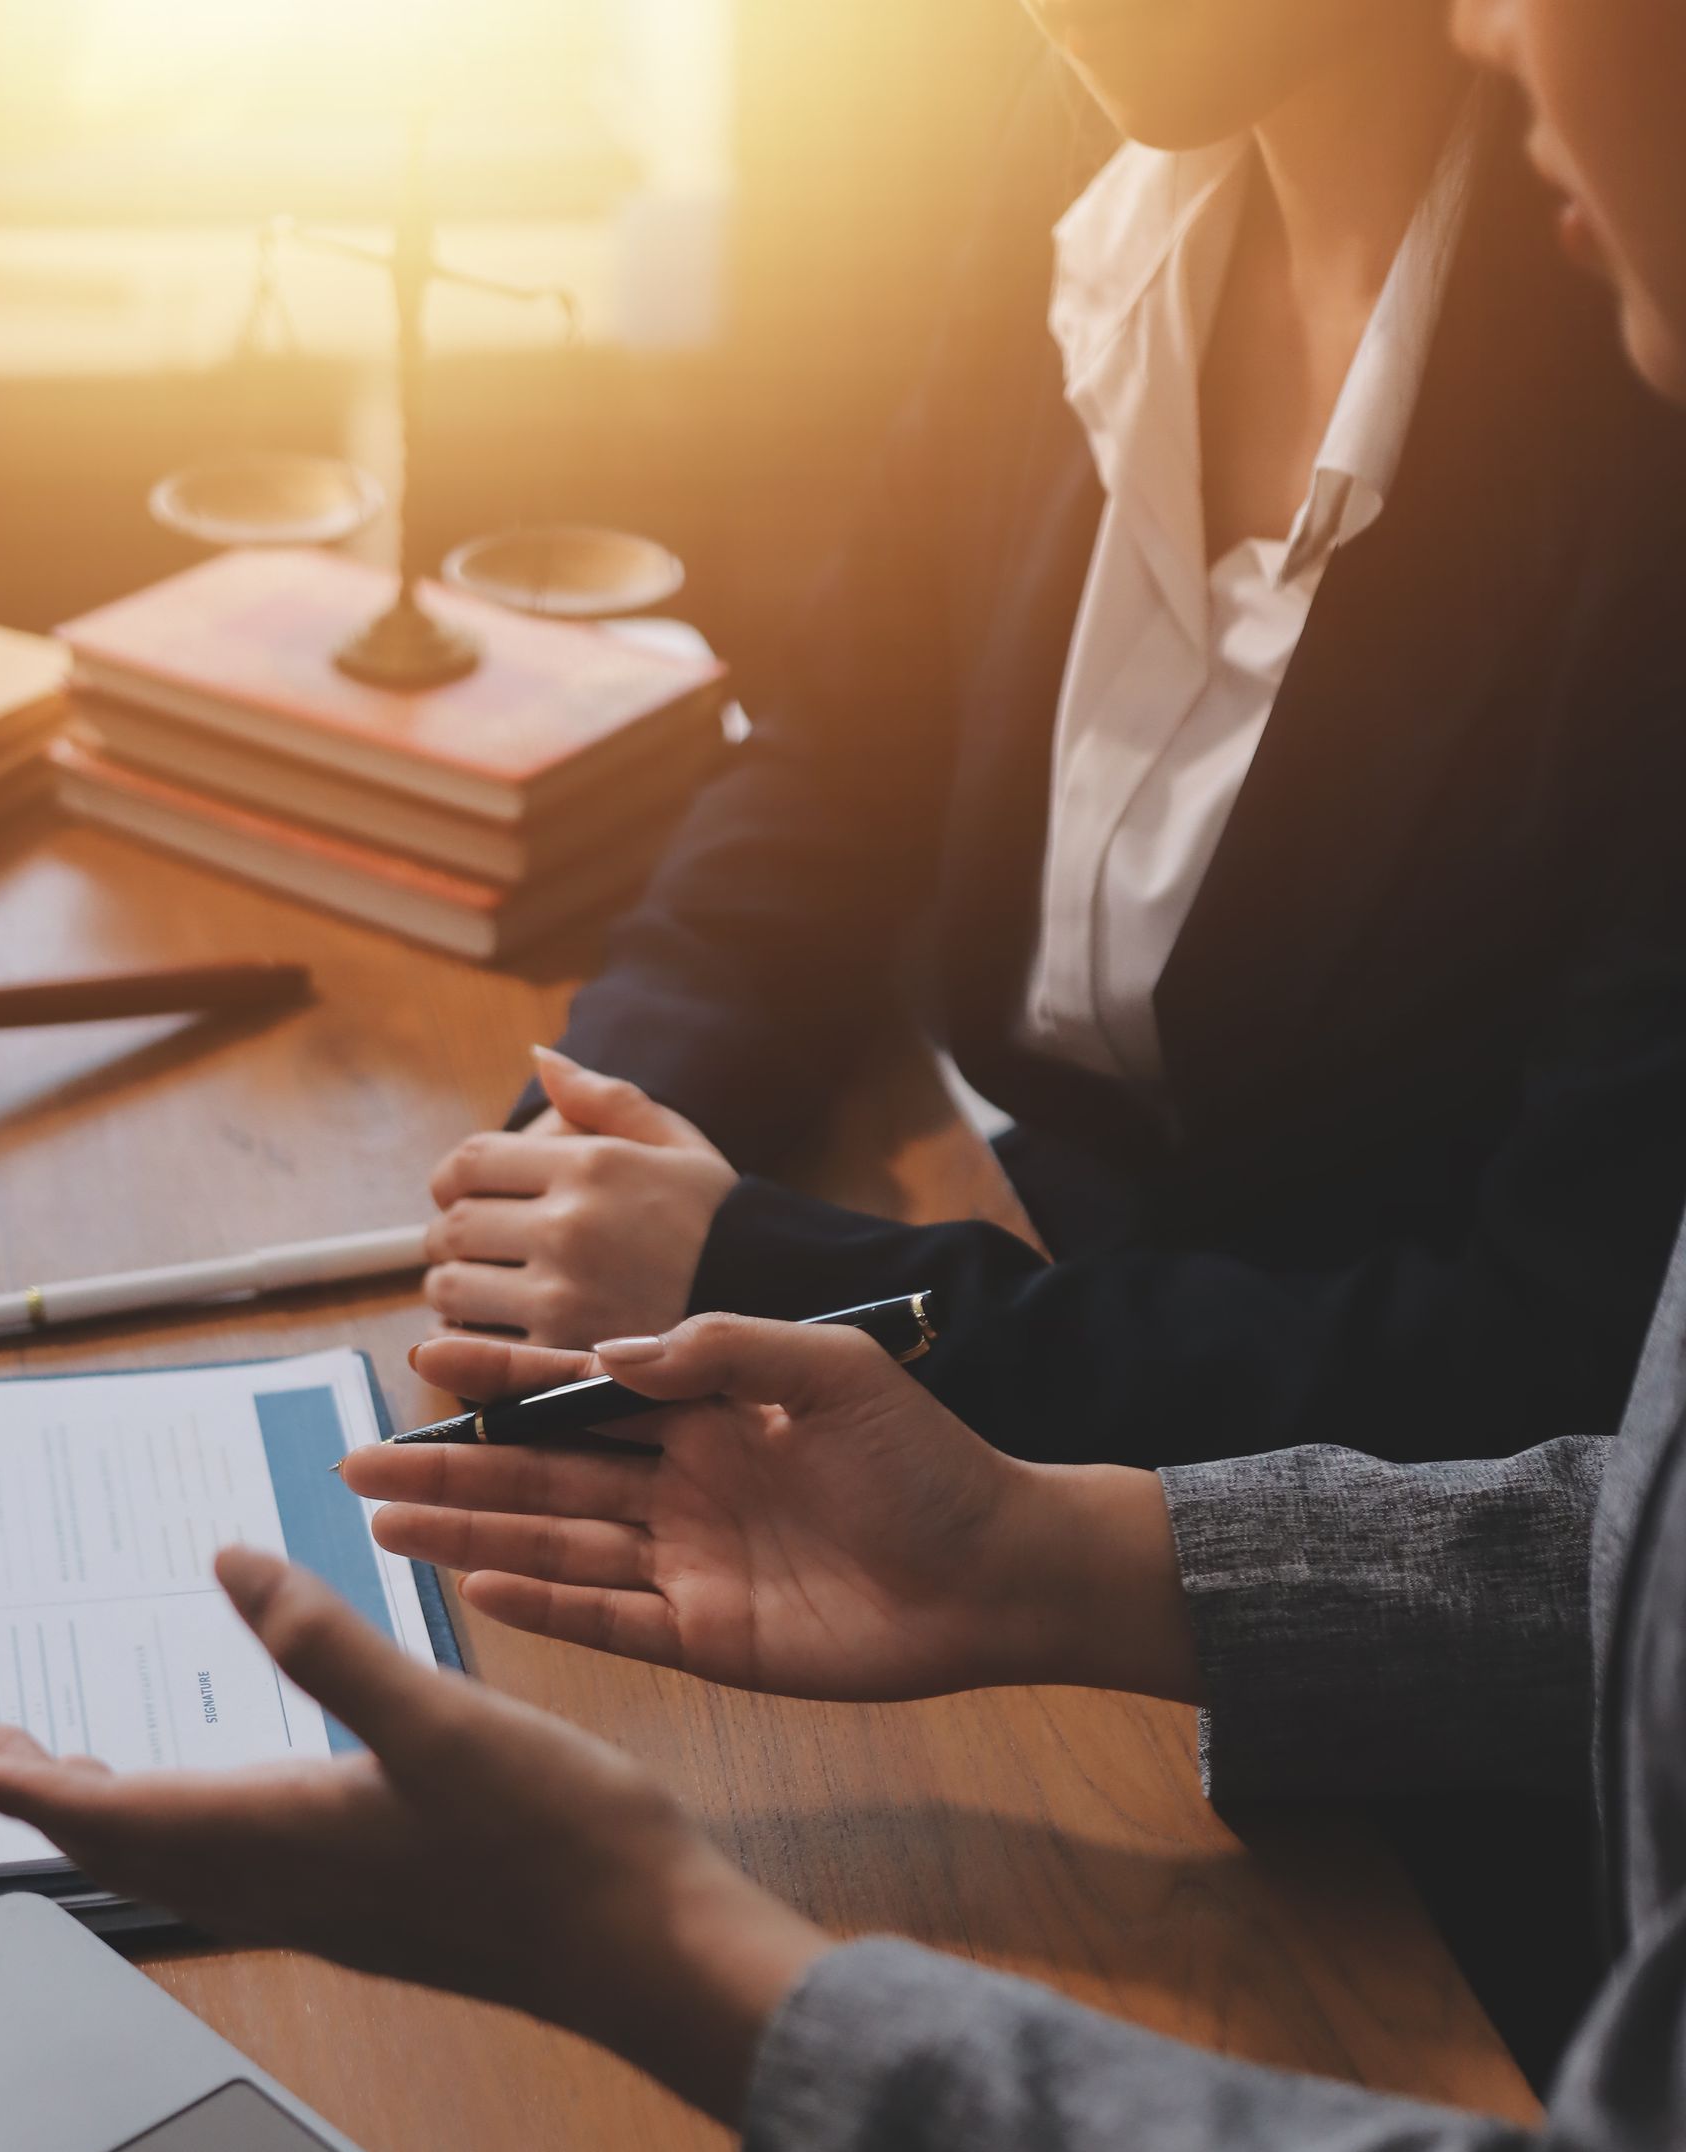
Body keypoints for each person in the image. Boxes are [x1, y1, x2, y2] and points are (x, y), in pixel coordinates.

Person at [0, 0, 1686, 2152]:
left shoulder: (1617, 416)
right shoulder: (1109, 147)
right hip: (1058, 1383)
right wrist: (639, 1184)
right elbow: (846, 725)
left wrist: (687, 1955)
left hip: (1369, 1758)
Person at [414, 0, 1686, 1477]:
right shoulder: (1105, 144)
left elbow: (1547, 1351)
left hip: (1258, 1510)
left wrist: (775, 1284)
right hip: (996, 1210)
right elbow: (846, 742)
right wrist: (601, 1133)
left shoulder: (1641, 352)